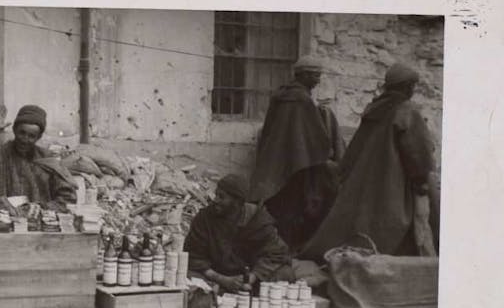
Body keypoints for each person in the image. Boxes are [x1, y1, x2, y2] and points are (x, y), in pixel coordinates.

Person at [300, 63, 437, 261]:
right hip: (394, 184)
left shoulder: (374, 108)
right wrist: (422, 183)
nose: (413, 90)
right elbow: (419, 153)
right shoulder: (407, 111)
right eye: (412, 86)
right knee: (407, 228)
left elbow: (354, 150)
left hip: (368, 182)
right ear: (408, 87)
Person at [248, 55, 345, 252]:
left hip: (275, 161)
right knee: (295, 208)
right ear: (305, 75)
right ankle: (289, 250)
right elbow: (317, 138)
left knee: (278, 206)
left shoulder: (280, 95)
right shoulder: (302, 99)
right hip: (297, 166)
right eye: (316, 76)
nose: (318, 80)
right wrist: (329, 152)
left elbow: (270, 130)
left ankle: (275, 247)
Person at [184, 174, 294, 294]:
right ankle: (215, 295)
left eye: (221, 197)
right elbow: (194, 257)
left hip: (250, 280)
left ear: (237, 202)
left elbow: (276, 254)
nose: (215, 200)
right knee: (188, 276)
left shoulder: (258, 220)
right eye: (216, 194)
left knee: (285, 273)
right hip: (216, 276)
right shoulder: (204, 218)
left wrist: (251, 277)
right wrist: (223, 280)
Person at [0, 104, 76, 207]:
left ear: (39, 137)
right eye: (22, 133)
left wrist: (41, 209)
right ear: (14, 130)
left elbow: (67, 198)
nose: (25, 139)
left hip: (37, 227)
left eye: (31, 136)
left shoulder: (48, 160)